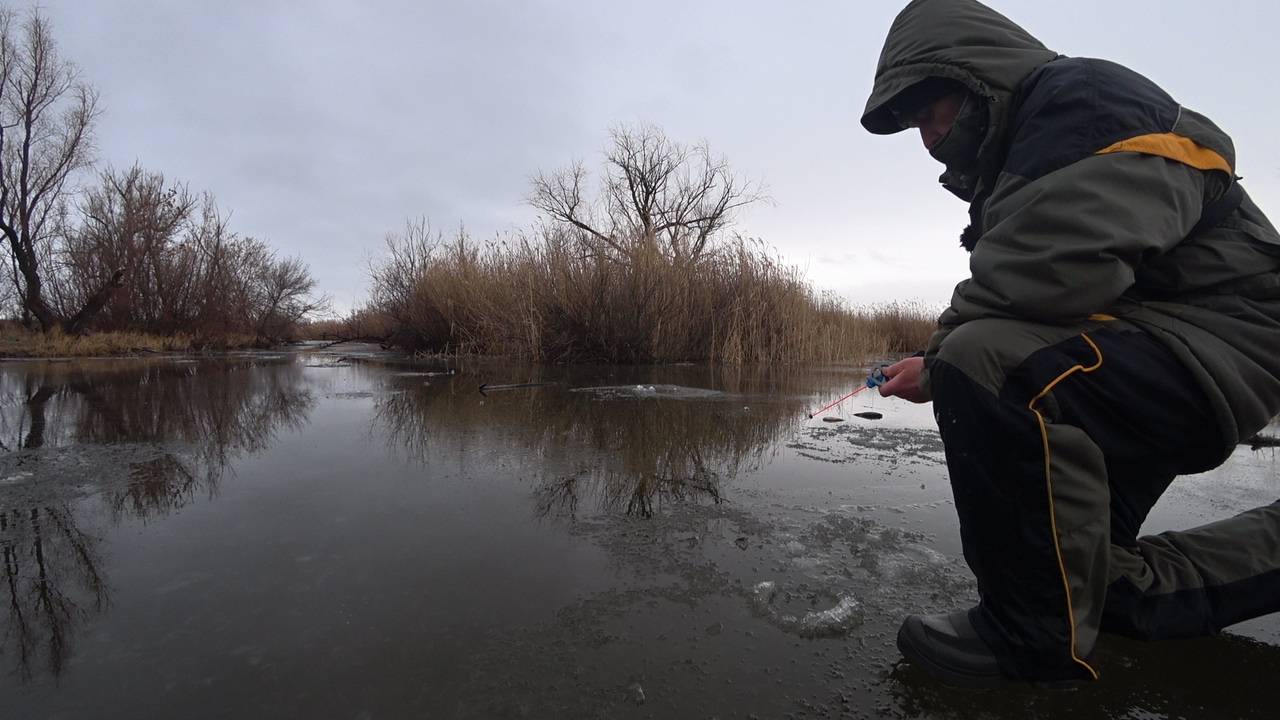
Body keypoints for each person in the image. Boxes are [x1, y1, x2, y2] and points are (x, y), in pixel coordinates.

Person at [862, 0, 1280, 687]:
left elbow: (1042, 274)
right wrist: (932, 362)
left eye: (933, 113)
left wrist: (938, 365)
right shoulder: (1031, 145)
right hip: (1149, 347)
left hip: (1223, 346)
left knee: (984, 362)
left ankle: (1030, 642)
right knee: (1086, 579)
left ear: (974, 80)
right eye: (917, 128)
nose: (929, 140)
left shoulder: (1082, 102)